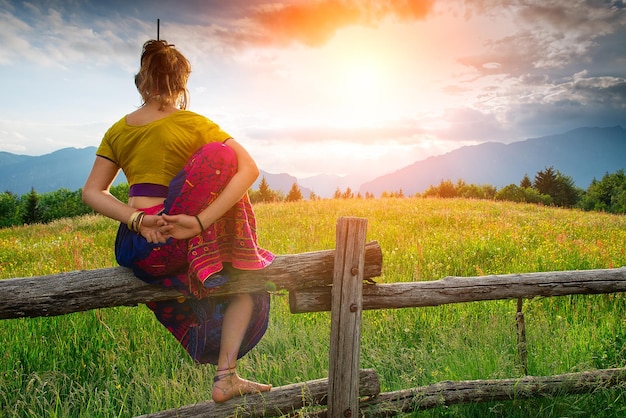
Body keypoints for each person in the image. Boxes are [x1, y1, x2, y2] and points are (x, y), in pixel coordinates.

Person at [82, 39, 274, 403]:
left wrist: (137, 220)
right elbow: (248, 168)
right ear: (181, 84)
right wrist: (200, 222)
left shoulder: (117, 130)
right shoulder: (192, 122)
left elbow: (92, 192)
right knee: (249, 284)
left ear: (141, 81)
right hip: (177, 237)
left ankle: (225, 375)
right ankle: (226, 376)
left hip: (136, 246)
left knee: (235, 282)